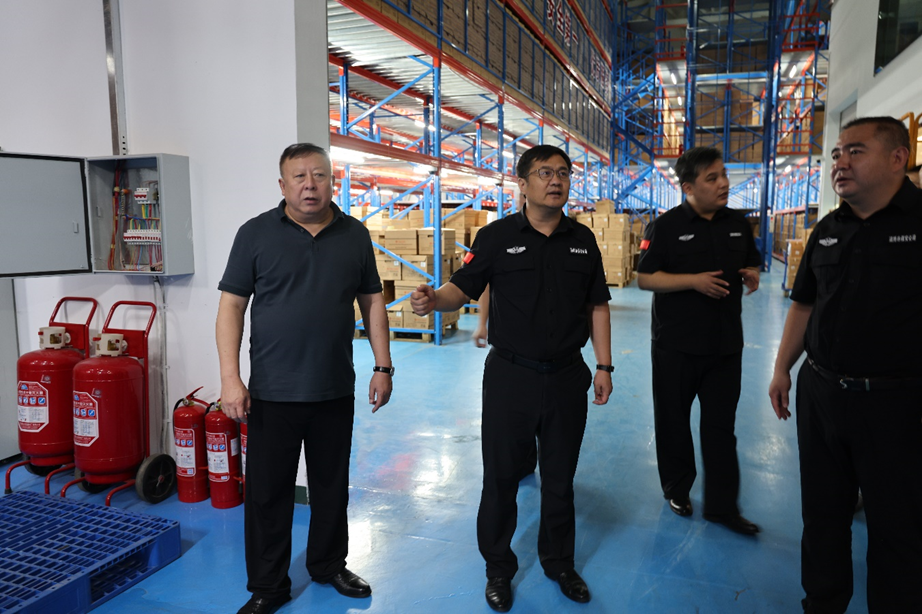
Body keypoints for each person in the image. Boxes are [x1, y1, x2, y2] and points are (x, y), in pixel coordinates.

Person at [410, 144, 612, 612]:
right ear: (522, 183)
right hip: (510, 377)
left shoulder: (583, 240)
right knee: (501, 479)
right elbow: (462, 287)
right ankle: (498, 568)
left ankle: (559, 563)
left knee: (559, 478)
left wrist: (604, 365)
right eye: (544, 173)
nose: (556, 180)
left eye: (563, 173)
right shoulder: (496, 237)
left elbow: (597, 305)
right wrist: (433, 301)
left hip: (567, 376)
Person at [216, 143, 394, 614]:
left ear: (332, 181)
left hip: (333, 387)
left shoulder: (354, 234)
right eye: (299, 177)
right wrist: (231, 378)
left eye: (319, 175)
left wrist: (382, 365)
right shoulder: (254, 234)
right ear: (283, 185)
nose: (309, 185)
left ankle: (329, 565)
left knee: (331, 486)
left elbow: (372, 301)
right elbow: (232, 306)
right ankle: (268, 586)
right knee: (268, 494)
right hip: (272, 391)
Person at [769, 116, 922, 613]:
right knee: (822, 516)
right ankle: (822, 603)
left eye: (855, 151)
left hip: (897, 405)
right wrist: (782, 368)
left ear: (897, 158)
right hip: (822, 395)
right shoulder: (827, 230)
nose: (840, 162)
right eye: (836, 153)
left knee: (897, 527)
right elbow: (804, 304)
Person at [636, 146, 761, 535]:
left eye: (724, 175)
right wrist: (693, 281)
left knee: (721, 428)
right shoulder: (665, 227)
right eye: (712, 178)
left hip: (725, 346)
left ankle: (723, 508)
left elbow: (751, 260)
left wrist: (751, 273)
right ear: (689, 187)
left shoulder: (738, 224)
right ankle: (677, 489)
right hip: (676, 346)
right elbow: (645, 278)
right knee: (673, 422)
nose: (723, 184)